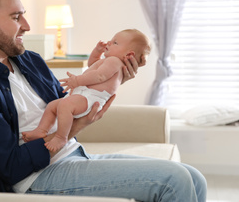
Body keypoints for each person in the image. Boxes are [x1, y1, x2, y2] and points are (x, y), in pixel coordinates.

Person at [0, 0, 207, 201]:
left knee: (195, 178)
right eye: (16, 17)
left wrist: (111, 81)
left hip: (74, 155)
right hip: (38, 178)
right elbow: (11, 167)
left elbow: (70, 102)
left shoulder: (30, 60)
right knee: (175, 180)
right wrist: (75, 129)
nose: (27, 25)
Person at [22, 29, 151, 152]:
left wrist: (77, 81)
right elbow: (92, 65)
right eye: (111, 40)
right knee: (53, 106)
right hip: (84, 96)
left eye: (115, 43)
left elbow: (100, 76)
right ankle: (41, 130)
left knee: (64, 106)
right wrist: (97, 51)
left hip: (91, 98)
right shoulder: (109, 61)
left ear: (129, 54)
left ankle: (61, 137)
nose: (109, 42)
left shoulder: (114, 62)